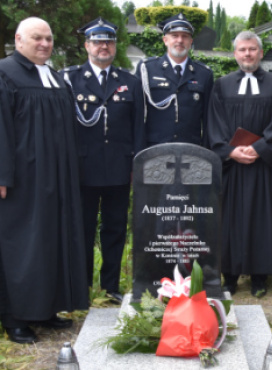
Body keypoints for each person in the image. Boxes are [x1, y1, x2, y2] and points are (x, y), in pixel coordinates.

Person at [0, 17, 89, 344]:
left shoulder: (54, 76)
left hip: (58, 178)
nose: (44, 44)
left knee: (53, 241)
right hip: (24, 180)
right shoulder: (5, 73)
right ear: (19, 39)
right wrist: (2, 174)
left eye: (49, 39)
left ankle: (48, 309)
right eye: (37, 38)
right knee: (24, 246)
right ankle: (16, 318)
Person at [60, 18, 145, 304]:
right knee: (82, 229)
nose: (103, 46)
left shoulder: (129, 82)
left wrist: (136, 165)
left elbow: (138, 128)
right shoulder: (70, 79)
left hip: (119, 170)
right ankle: (81, 287)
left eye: (108, 41)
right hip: (83, 169)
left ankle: (110, 287)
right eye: (97, 41)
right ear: (87, 46)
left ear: (114, 45)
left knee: (115, 229)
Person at [207, 31, 272, 297]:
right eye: (242, 49)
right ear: (235, 53)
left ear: (261, 52)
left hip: (263, 166)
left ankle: (259, 277)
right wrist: (230, 151)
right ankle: (230, 277)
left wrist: (258, 148)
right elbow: (215, 124)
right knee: (229, 221)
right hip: (232, 168)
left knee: (262, 220)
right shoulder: (221, 85)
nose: (247, 54)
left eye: (252, 49)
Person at [136, 12, 213, 147]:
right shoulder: (147, 69)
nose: (180, 40)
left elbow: (208, 120)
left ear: (191, 42)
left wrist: (206, 153)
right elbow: (136, 115)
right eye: (174, 36)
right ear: (165, 40)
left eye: (185, 36)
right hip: (154, 149)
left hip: (191, 149)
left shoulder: (204, 74)